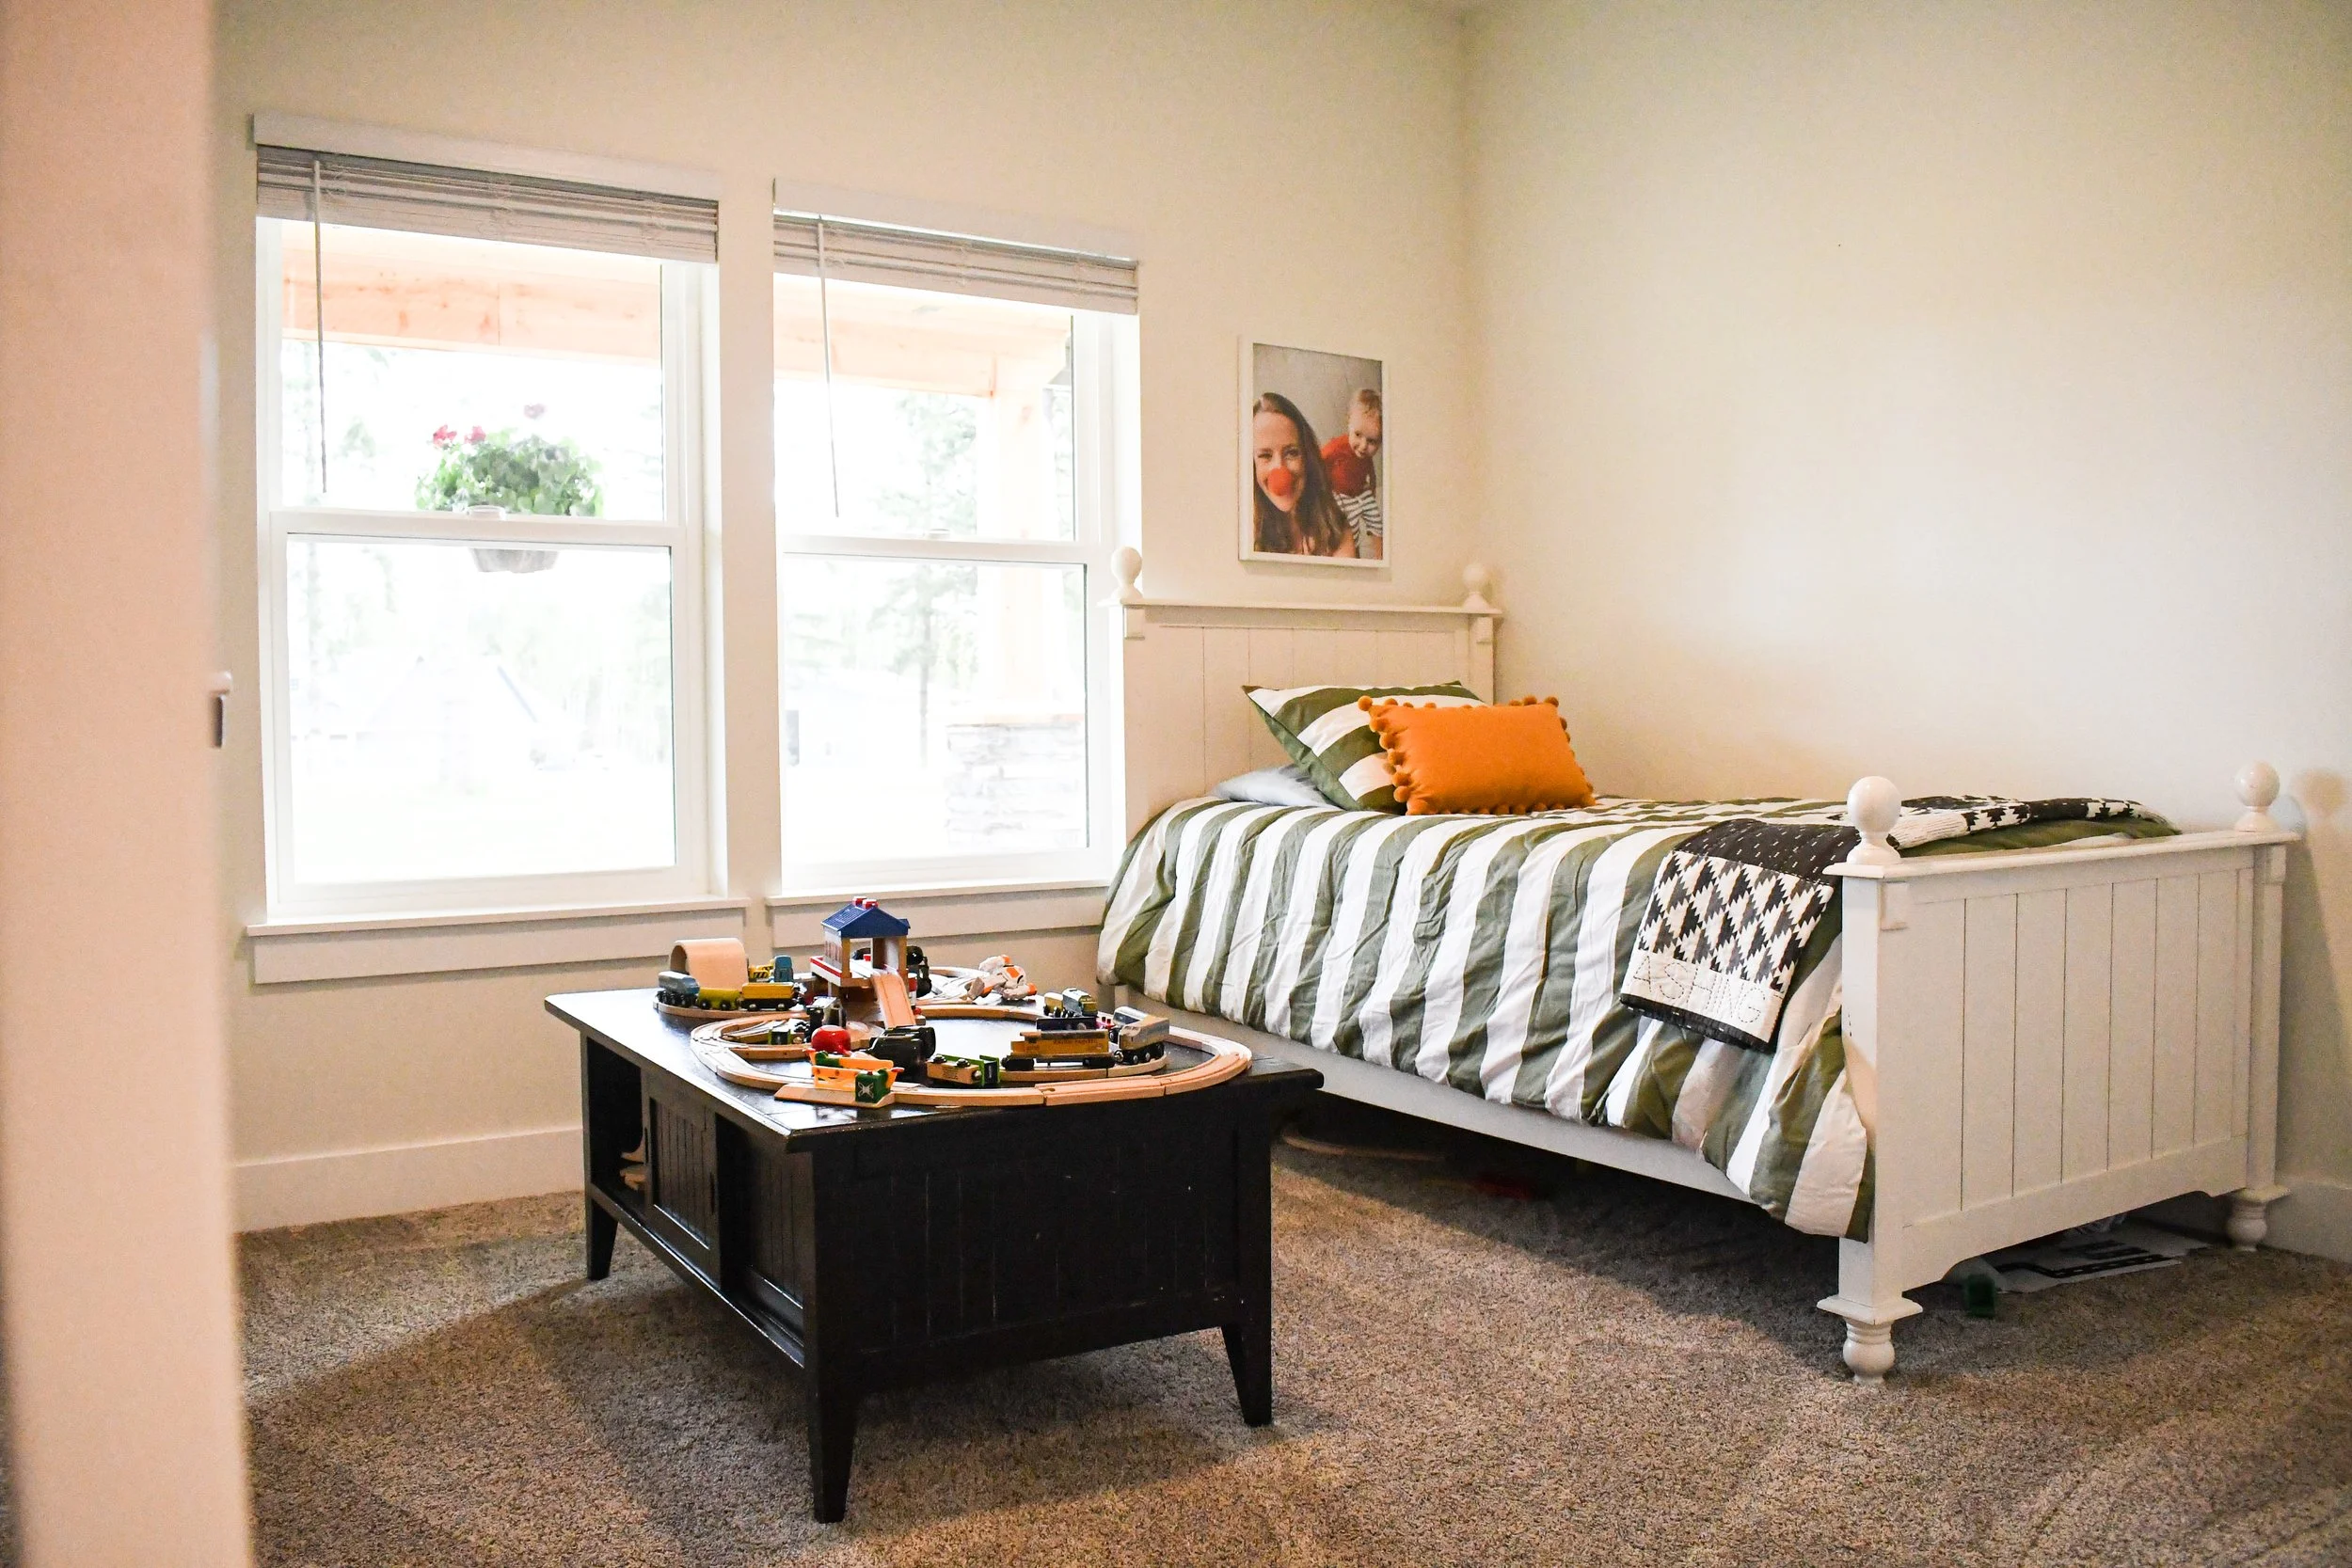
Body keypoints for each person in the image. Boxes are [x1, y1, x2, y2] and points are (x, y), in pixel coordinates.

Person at [1249, 392, 1353, 558]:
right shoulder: (1242, 535)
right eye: (1265, 455)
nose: (1279, 469)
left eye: (1291, 453)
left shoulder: (1336, 528)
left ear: (1307, 457)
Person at [1320, 388, 1383, 560]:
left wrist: (1371, 489)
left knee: (1377, 522)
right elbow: (1318, 462)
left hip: (1361, 491)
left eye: (1372, 441)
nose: (1363, 446)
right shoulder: (1335, 447)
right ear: (1348, 422)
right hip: (1340, 494)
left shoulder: (1365, 455)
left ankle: (1380, 556)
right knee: (1350, 528)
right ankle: (1352, 556)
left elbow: (1370, 470)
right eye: (1357, 435)